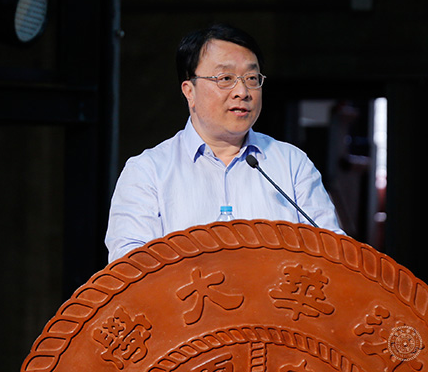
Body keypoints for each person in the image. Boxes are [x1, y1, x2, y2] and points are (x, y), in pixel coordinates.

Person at [105, 23, 343, 262]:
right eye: (226, 78)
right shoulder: (148, 172)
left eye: (252, 78)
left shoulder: (292, 164)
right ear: (189, 91)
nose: (242, 91)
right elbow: (130, 269)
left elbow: (333, 254)